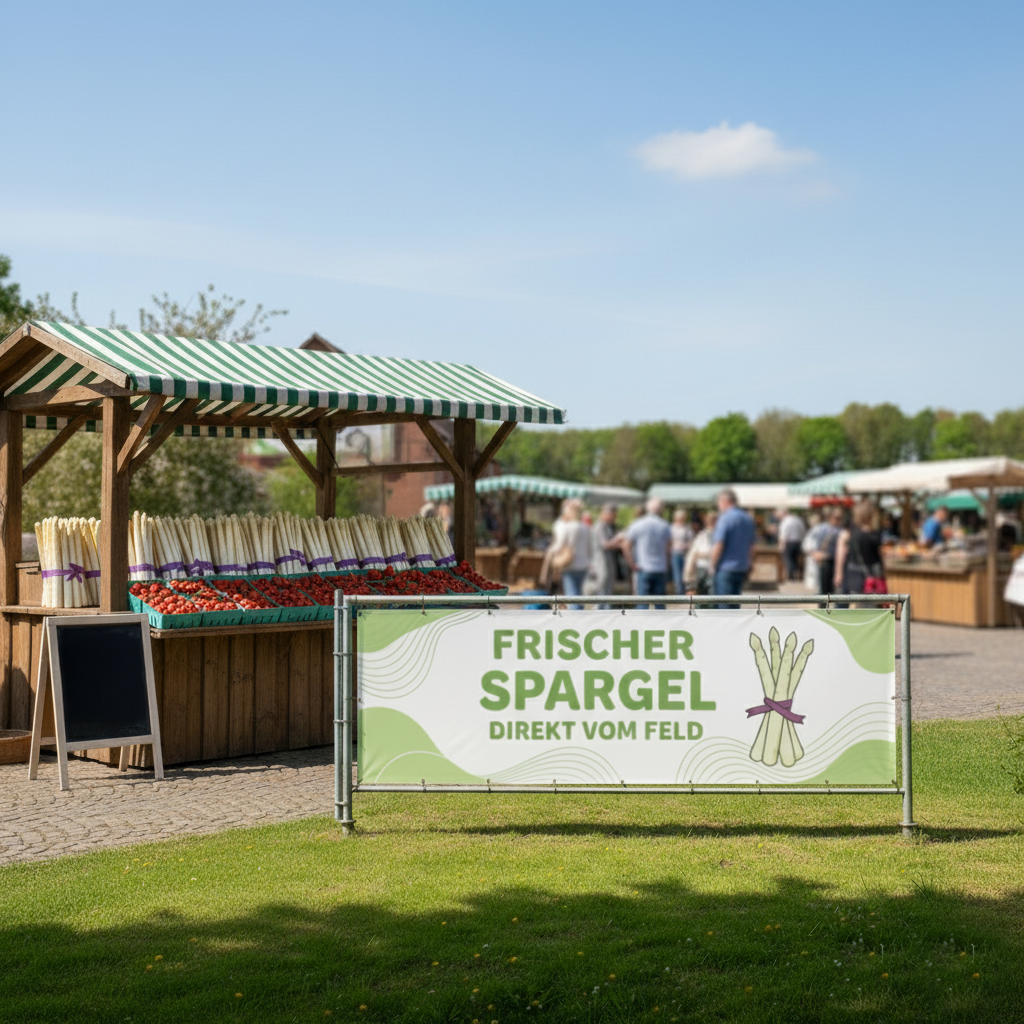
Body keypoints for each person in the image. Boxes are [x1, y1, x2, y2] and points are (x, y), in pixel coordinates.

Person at [623, 497, 672, 609]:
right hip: (660, 568)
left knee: (642, 604)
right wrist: (667, 564)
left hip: (643, 567)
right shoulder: (665, 526)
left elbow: (626, 546)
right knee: (660, 605)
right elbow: (668, 549)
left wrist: (632, 564)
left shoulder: (638, 524)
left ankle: (642, 625)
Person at [545, 498, 593, 609]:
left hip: (569, 564)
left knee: (572, 594)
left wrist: (550, 552)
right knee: (579, 594)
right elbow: (589, 548)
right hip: (583, 565)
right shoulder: (585, 527)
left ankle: (575, 621)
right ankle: (580, 617)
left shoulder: (564, 526)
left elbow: (559, 544)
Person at [711, 488, 755, 607]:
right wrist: (750, 563)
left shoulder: (725, 518)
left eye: (718, 503)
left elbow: (719, 543)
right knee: (735, 605)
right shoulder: (747, 519)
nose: (718, 506)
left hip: (725, 568)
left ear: (725, 501)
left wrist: (712, 564)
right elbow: (751, 545)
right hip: (741, 567)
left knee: (724, 606)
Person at [834, 500, 886, 600]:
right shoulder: (875, 534)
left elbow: (841, 554)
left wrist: (838, 573)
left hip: (854, 574)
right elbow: (880, 556)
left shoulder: (849, 533)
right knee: (873, 607)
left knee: (856, 606)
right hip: (874, 575)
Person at [589, 503, 621, 608]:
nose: (615, 518)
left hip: (609, 561)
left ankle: (606, 614)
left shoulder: (609, 527)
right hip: (601, 562)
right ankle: (599, 614)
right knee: (602, 589)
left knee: (608, 590)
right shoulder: (600, 527)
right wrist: (619, 539)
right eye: (613, 515)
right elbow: (605, 544)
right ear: (606, 514)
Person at [814, 507, 845, 597]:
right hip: (825, 562)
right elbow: (818, 543)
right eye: (835, 517)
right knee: (824, 587)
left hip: (835, 560)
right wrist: (817, 553)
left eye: (839, 517)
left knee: (835, 588)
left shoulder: (841, 530)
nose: (837, 519)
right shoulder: (824, 528)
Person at [684, 511, 717, 594]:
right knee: (700, 595)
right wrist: (689, 571)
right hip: (701, 568)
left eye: (712, 520)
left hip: (713, 569)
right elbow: (693, 553)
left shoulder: (720, 534)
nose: (709, 522)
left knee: (712, 595)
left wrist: (705, 554)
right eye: (708, 520)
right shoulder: (702, 535)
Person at [777, 508, 806, 581]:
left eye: (779, 515)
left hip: (788, 543)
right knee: (796, 560)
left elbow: (783, 535)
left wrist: (781, 546)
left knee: (788, 560)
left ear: (783, 513)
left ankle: (791, 577)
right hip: (798, 542)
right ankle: (797, 575)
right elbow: (803, 532)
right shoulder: (798, 520)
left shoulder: (785, 522)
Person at [670, 509, 694, 595]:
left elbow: (691, 541)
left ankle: (684, 592)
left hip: (685, 554)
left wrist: (687, 546)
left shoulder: (687, 528)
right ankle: (679, 593)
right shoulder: (672, 528)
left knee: (686, 575)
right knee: (677, 575)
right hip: (675, 553)